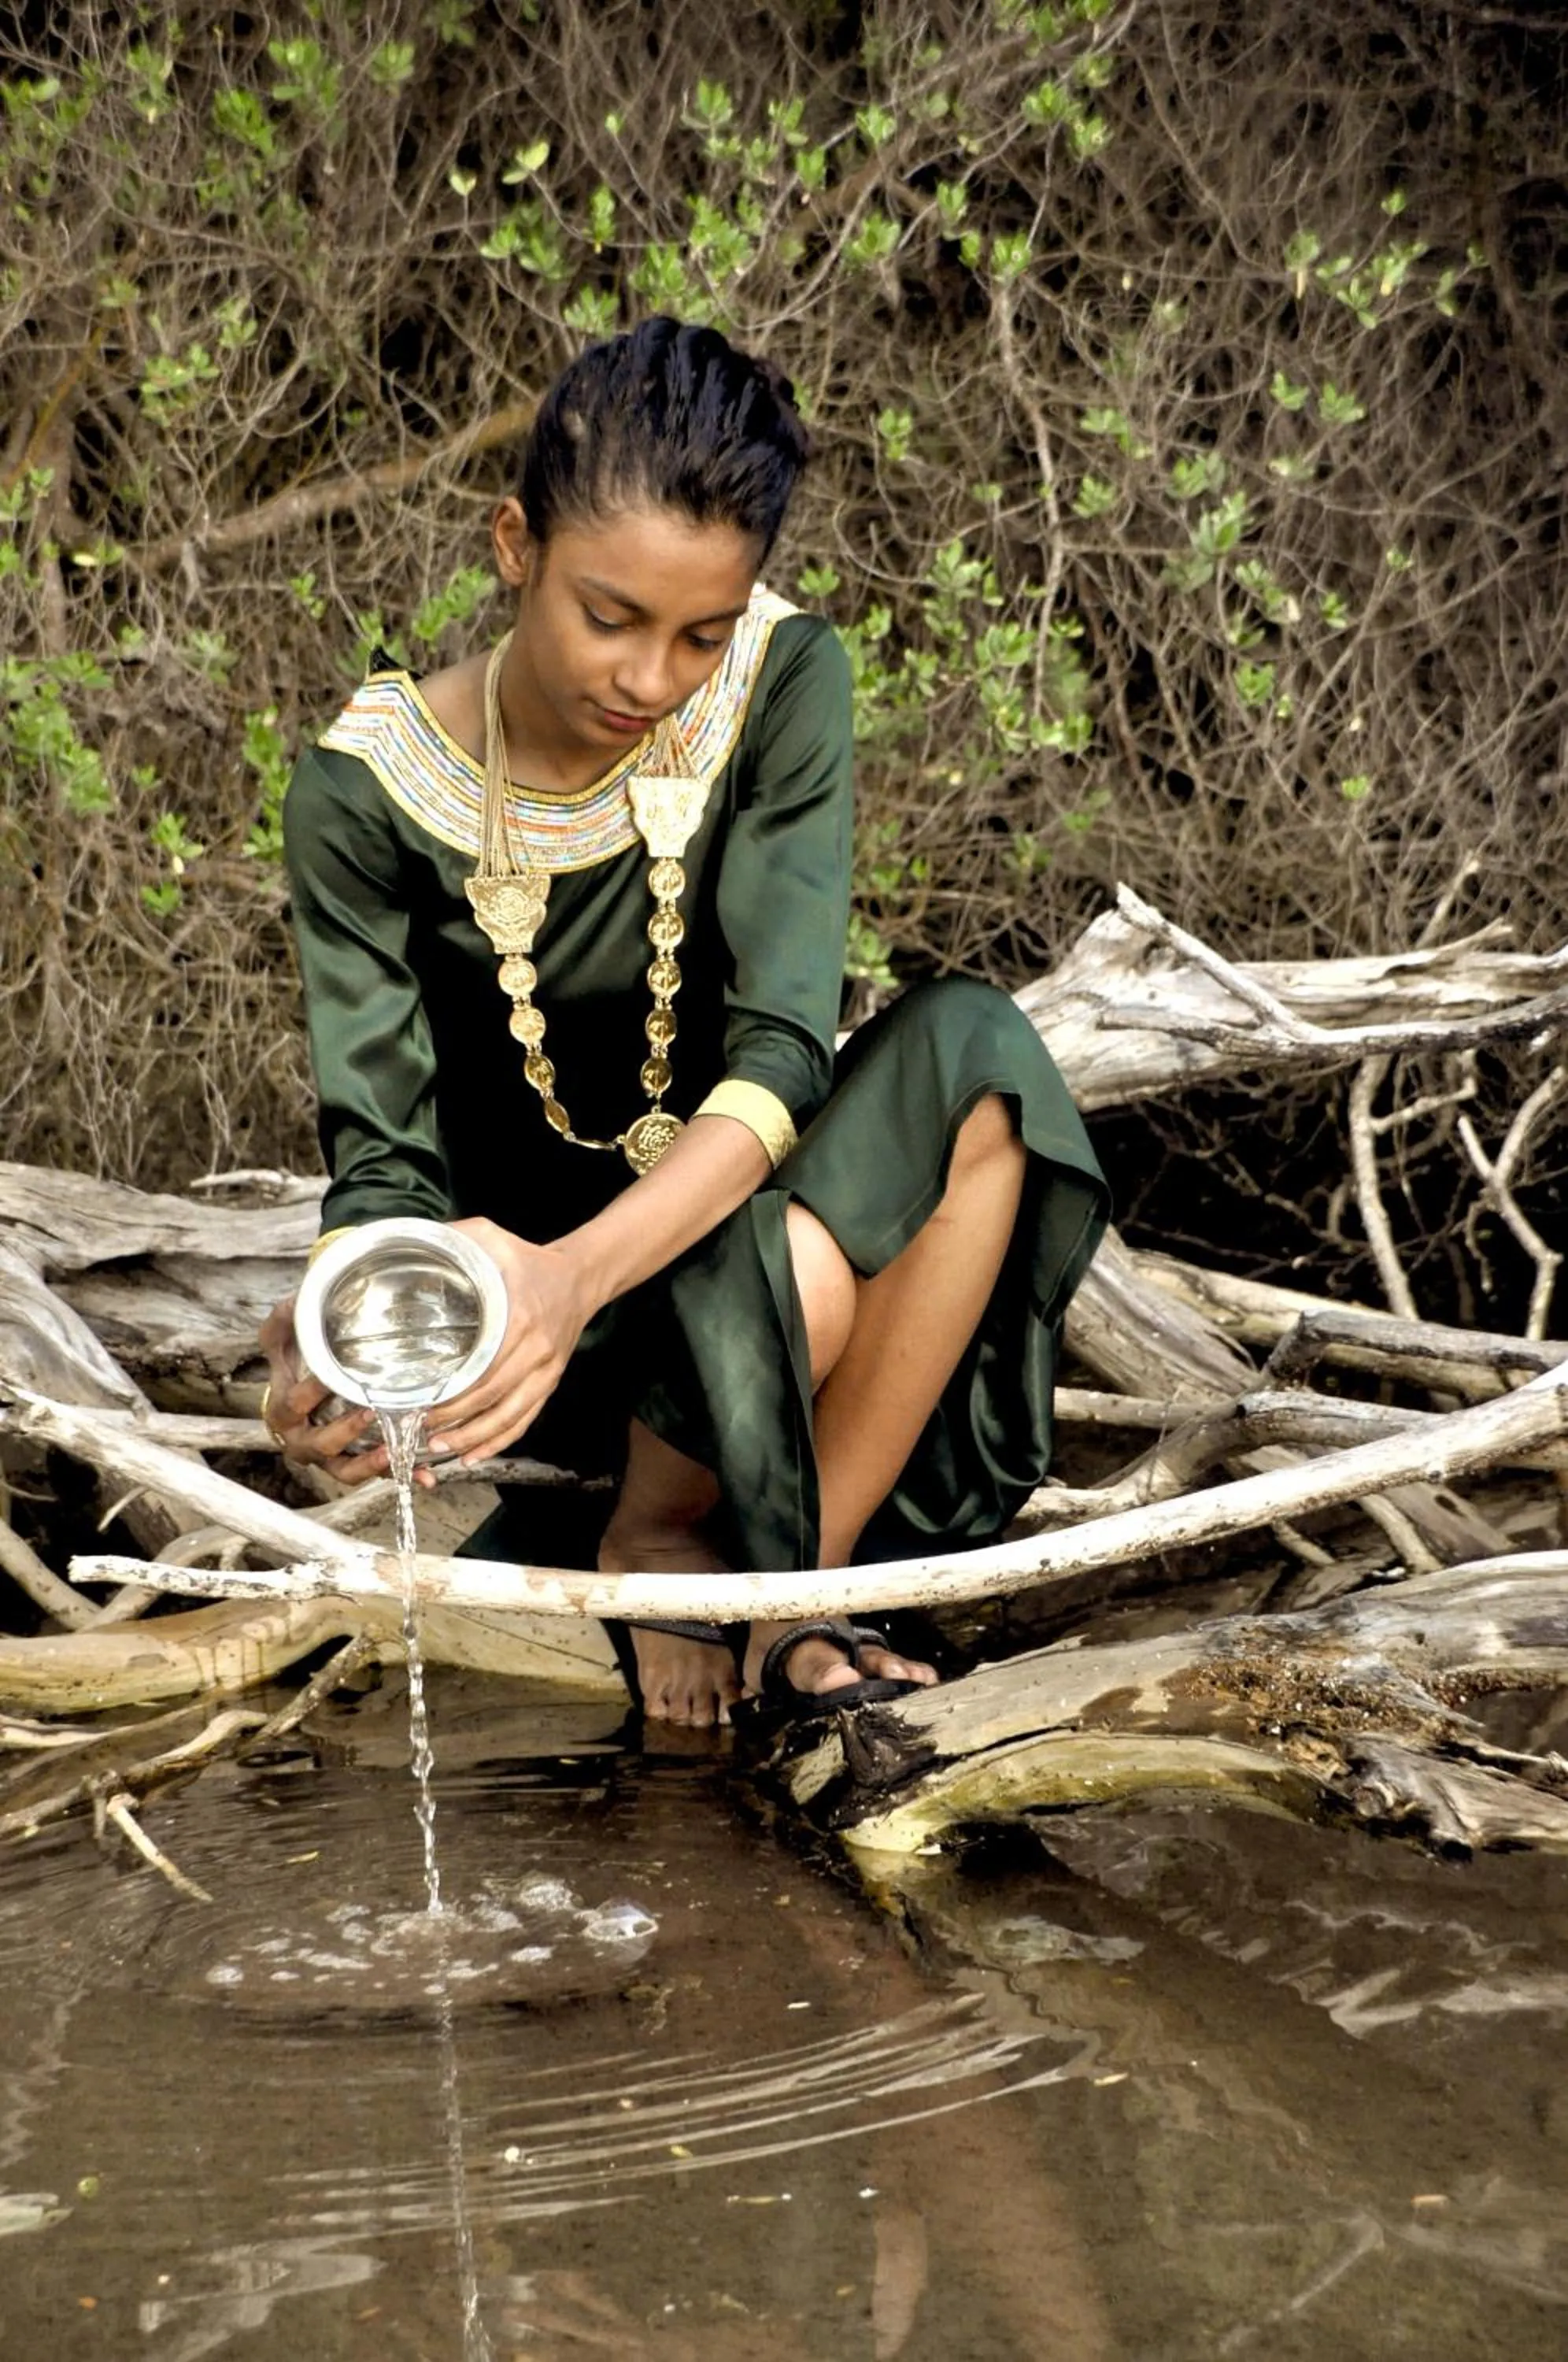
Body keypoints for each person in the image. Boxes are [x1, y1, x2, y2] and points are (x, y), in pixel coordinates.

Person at [261, 317, 1108, 1728]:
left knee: (975, 1057)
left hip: (720, 1265)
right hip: (545, 1347)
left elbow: (785, 1047)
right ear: (513, 544)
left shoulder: (785, 681)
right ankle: (650, 1533)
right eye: (611, 616)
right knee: (765, 1259)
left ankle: (788, 1599)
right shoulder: (361, 795)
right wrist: (346, 1332)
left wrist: (581, 1273)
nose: (650, 680)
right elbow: (386, 1161)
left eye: (698, 634)